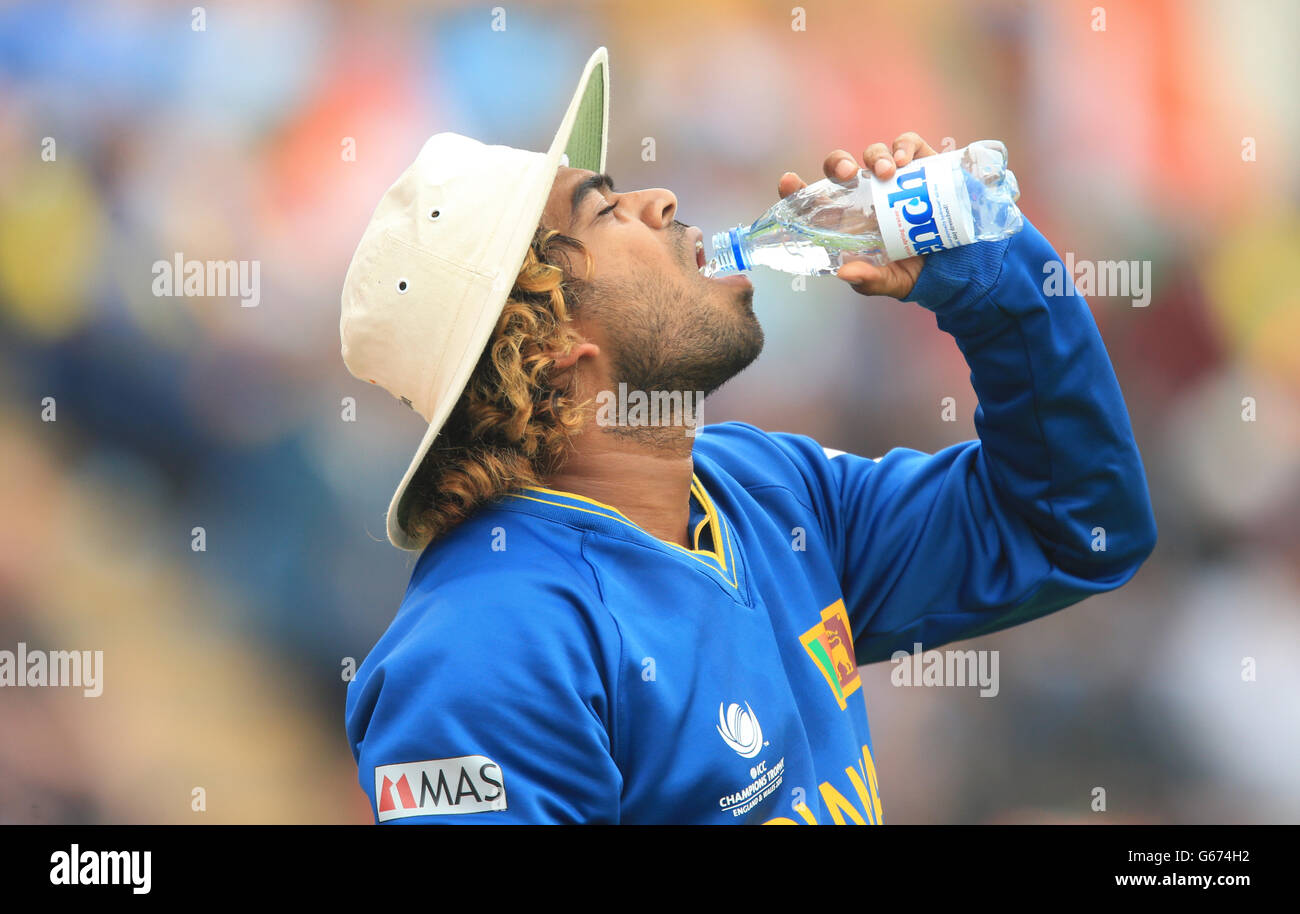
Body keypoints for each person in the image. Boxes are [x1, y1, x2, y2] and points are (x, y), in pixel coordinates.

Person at [340, 47, 1156, 824]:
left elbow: (1072, 530)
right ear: (549, 346)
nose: (658, 201)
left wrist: (991, 285)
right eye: (604, 209)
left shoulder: (764, 490)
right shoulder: (486, 647)